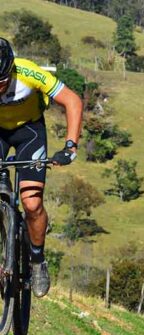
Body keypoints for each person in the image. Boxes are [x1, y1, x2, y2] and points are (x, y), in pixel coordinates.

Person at [0, 38, 82, 298]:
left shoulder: (27, 72)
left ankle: (37, 260)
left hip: (29, 132)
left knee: (32, 203)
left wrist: (70, 146)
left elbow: (72, 101)